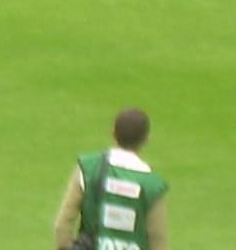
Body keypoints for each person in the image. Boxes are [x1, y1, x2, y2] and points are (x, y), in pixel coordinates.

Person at [52, 106, 169, 250]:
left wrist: (65, 246)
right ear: (146, 140)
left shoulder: (89, 168)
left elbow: (62, 224)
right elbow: (157, 237)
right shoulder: (152, 185)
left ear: (113, 133)